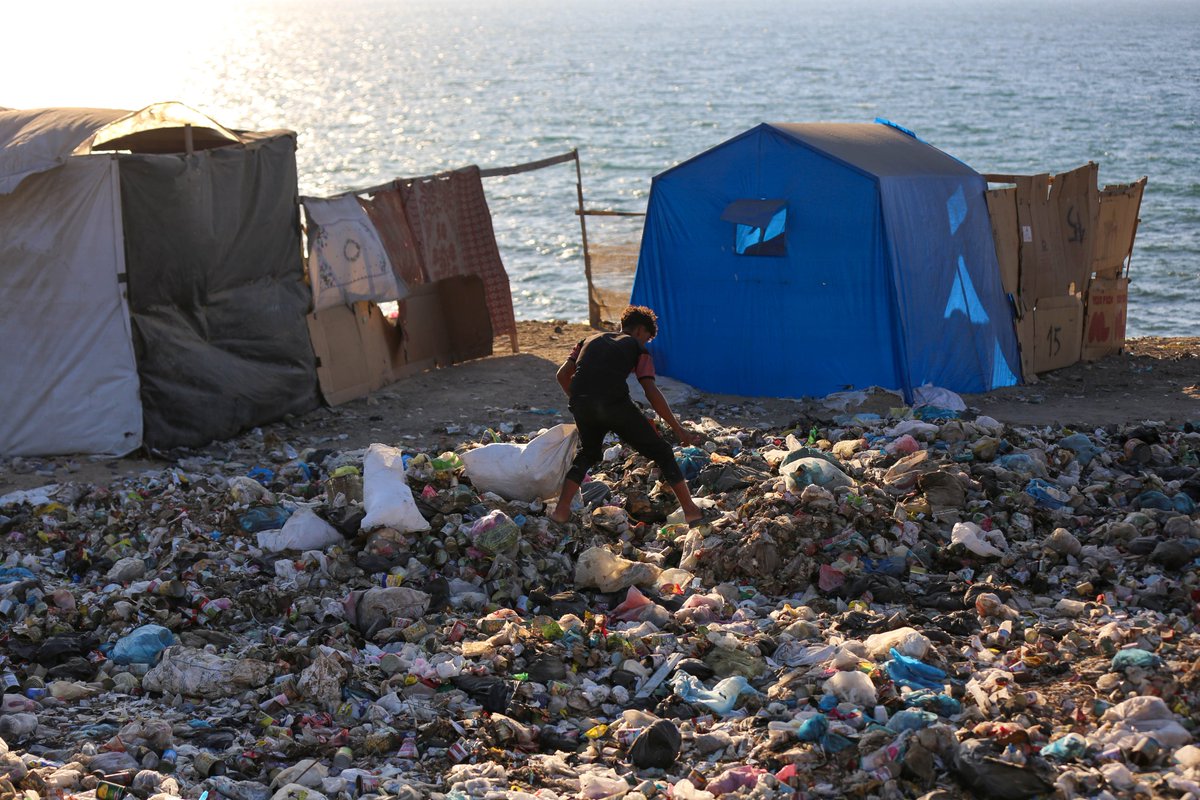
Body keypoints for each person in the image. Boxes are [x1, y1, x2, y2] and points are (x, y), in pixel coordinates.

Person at [549, 305, 706, 525]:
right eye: (647, 339)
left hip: (581, 402)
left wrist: (580, 401)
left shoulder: (587, 340)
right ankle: (691, 511)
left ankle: (561, 511)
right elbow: (650, 390)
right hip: (615, 404)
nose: (645, 344)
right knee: (662, 452)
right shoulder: (637, 348)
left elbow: (562, 374)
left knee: (588, 454)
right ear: (640, 331)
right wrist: (678, 429)